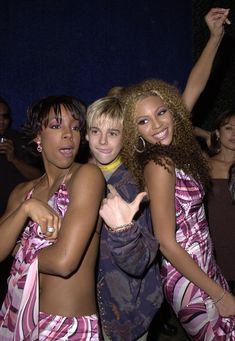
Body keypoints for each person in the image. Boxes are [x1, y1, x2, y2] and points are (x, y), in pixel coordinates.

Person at [100, 78, 235, 340]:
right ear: (134, 130)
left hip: (205, 267)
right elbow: (165, 243)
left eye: (161, 112)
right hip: (188, 280)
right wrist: (219, 295)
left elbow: (195, 88)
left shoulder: (174, 155)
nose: (158, 124)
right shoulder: (159, 162)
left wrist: (215, 39)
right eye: (144, 121)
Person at [0, 96, 105, 340]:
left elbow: (64, 262)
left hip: (65, 327)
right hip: (15, 318)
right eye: (57, 126)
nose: (69, 134)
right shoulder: (22, 193)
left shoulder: (87, 176)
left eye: (76, 127)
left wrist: (17, 248)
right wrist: (27, 209)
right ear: (38, 135)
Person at [0, 97, 42, 307]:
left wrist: (14, 158)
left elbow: (40, 178)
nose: (1, 121)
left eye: (5, 116)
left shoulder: (18, 141)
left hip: (16, 220)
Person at [195, 110, 235, 294]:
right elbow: (182, 131)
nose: (233, 134)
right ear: (218, 132)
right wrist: (207, 135)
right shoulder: (206, 164)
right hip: (217, 243)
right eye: (228, 128)